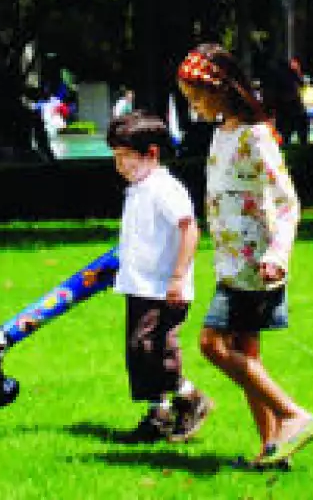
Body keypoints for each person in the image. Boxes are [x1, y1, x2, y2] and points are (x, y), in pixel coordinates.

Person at [176, 43, 313, 470]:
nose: (194, 106)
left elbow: (286, 201)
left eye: (197, 96)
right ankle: (272, 450)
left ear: (221, 88)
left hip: (254, 266)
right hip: (231, 263)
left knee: (211, 344)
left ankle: (294, 415)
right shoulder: (223, 132)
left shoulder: (255, 135)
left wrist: (278, 253)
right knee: (246, 356)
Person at [104, 111, 214, 443]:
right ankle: (159, 414)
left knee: (156, 349)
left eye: (125, 157)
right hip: (140, 287)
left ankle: (191, 398)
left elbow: (190, 229)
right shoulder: (138, 188)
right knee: (138, 351)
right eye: (116, 158)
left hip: (165, 289)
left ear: (151, 153)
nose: (119, 165)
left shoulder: (165, 188)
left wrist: (178, 277)